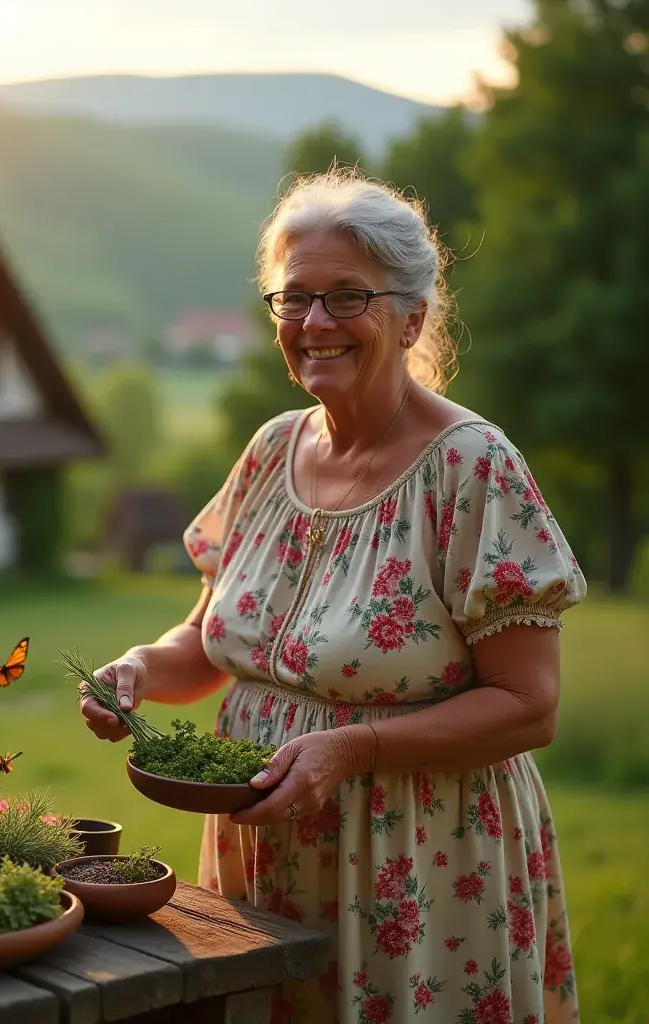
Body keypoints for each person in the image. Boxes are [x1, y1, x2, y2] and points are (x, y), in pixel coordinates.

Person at [80, 168, 586, 1024]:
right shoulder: (272, 450)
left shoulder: (471, 467)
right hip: (260, 857)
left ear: (413, 316)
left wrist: (350, 751)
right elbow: (209, 644)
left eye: (347, 297)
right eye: (294, 298)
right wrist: (136, 669)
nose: (314, 323)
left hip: (418, 869)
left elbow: (529, 708)